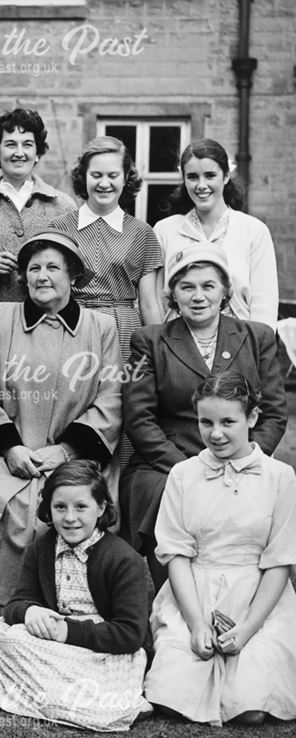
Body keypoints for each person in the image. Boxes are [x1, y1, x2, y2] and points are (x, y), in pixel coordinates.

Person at [0, 229, 122, 616]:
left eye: (52, 268)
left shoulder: (101, 328)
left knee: (67, 502)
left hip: (73, 454)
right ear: (23, 276)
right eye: (34, 268)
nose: (42, 276)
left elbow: (111, 398)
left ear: (73, 276)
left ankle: (51, 607)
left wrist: (64, 450)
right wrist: (10, 447)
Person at [120, 242, 287, 586]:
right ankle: (174, 604)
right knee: (164, 492)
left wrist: (244, 460)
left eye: (208, 286)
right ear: (173, 294)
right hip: (167, 461)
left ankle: (247, 599)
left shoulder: (258, 337)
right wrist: (187, 468)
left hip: (243, 457)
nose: (198, 296)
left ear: (225, 291)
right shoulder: (149, 341)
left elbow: (272, 413)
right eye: (187, 287)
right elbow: (139, 418)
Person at [0, 460, 151, 731]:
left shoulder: (123, 559)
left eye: (81, 507)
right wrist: (30, 611)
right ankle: (57, 695)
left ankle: (59, 695)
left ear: (100, 508)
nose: (70, 517)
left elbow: (130, 634)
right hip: (50, 645)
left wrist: (68, 633)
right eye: (60, 507)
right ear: (48, 510)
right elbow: (16, 604)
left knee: (110, 685)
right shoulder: (42, 548)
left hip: (101, 652)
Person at [144, 372, 296, 726]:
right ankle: (187, 651)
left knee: (253, 709)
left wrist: (245, 629)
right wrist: (197, 624)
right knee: (172, 699)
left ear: (252, 418)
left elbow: (279, 562)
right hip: (195, 592)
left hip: (259, 598)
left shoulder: (280, 477)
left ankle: (252, 663)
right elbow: (176, 555)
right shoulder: (183, 474)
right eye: (205, 422)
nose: (215, 433)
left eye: (228, 422)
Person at [48, 135, 164, 362]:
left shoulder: (142, 233)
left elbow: (150, 303)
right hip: (70, 323)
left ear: (126, 178)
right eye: (96, 175)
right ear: (84, 177)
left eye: (113, 176)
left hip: (124, 329)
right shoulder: (59, 228)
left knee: (121, 393)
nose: (104, 183)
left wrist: (161, 354)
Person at [154, 138, 279, 328]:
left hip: (240, 344)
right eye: (193, 177)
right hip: (177, 346)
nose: (201, 185)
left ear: (226, 176)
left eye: (210, 175)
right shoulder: (165, 230)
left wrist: (257, 350)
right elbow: (156, 300)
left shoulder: (253, 231)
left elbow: (264, 303)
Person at [0, 108, 77, 303]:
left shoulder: (63, 206)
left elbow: (74, 270)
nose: (19, 153)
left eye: (27, 145)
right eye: (11, 145)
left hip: (50, 322)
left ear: (37, 153)